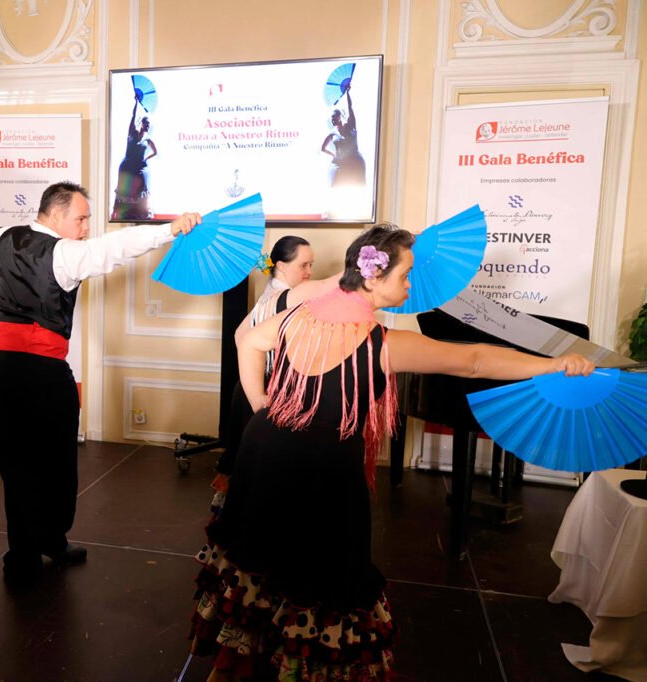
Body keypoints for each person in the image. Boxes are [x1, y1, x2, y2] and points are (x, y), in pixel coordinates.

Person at [188, 224, 594, 680]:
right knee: (324, 579)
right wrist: (555, 364)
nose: (410, 284)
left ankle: (235, 668)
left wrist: (263, 406)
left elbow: (249, 340)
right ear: (374, 278)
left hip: (263, 452)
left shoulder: (299, 315)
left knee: (262, 560)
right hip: (323, 471)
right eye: (406, 275)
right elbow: (474, 360)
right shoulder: (379, 343)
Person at [0, 181, 200, 584]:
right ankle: (50, 540)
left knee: (15, 464)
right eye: (82, 218)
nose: (87, 226)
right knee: (55, 463)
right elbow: (113, 250)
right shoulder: (65, 254)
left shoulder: (2, 238)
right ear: (54, 215)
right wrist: (168, 230)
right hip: (42, 373)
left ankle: (24, 555)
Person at [211, 236, 315, 512]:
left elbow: (240, 335)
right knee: (258, 464)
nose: (309, 272)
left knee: (245, 459)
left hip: (251, 386)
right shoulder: (282, 299)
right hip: (262, 389)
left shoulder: (272, 294)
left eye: (311, 265)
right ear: (281, 265)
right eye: (304, 265)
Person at [111, 94, 158, 221]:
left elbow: (155, 152)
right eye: (145, 123)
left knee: (141, 191)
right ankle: (123, 214)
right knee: (126, 191)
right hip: (127, 167)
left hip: (140, 168)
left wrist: (146, 159)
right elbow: (133, 117)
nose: (147, 126)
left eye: (149, 124)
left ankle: (141, 215)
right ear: (141, 123)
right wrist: (136, 102)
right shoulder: (133, 133)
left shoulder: (148, 140)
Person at [320, 85, 366, 189]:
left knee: (357, 185)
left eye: (334, 117)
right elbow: (322, 148)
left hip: (355, 162)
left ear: (340, 117)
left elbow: (350, 108)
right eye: (331, 118)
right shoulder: (332, 134)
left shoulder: (350, 126)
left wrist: (348, 94)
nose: (332, 119)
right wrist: (333, 154)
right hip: (340, 164)